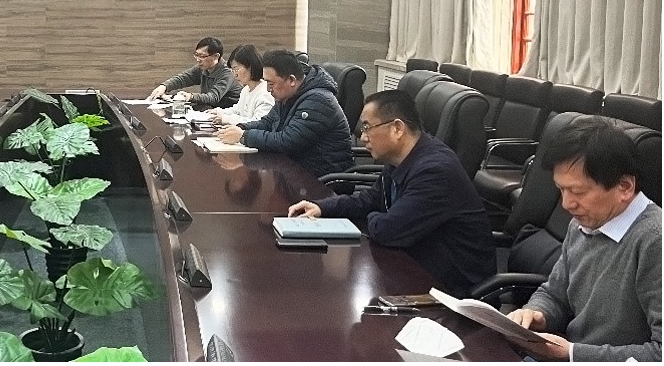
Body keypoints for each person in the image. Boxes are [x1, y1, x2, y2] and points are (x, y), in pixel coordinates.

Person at [287, 90, 495, 295]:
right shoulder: (402, 158)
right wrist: (323, 207)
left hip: (451, 290)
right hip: (415, 266)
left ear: (397, 128)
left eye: (367, 127)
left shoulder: (435, 170)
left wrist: (371, 217)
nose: (362, 137)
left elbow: (387, 230)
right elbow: (371, 199)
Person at [504, 116, 660, 362]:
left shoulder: (655, 241)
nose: (567, 204)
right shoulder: (583, 223)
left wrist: (573, 353)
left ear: (624, 187)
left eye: (577, 191)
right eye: (561, 190)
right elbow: (555, 294)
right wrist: (536, 313)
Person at [216, 49, 354, 177]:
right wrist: (240, 128)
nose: (268, 89)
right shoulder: (288, 95)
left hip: (322, 178)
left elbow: (287, 141)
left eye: (271, 84)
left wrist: (244, 136)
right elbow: (267, 122)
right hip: (296, 170)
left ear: (291, 80)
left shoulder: (318, 100)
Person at [147, 37, 242, 108]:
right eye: (196, 55)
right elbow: (183, 78)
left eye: (202, 56)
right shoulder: (202, 68)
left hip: (227, 112)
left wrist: (191, 96)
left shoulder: (227, 72)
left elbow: (213, 97)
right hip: (211, 110)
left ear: (216, 56)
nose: (198, 59)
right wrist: (164, 86)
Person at [210, 45, 274, 125]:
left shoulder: (265, 93)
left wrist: (227, 119)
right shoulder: (246, 89)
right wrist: (218, 112)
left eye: (236, 69)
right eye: (232, 70)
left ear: (250, 67)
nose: (235, 74)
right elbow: (237, 110)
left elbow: (258, 123)